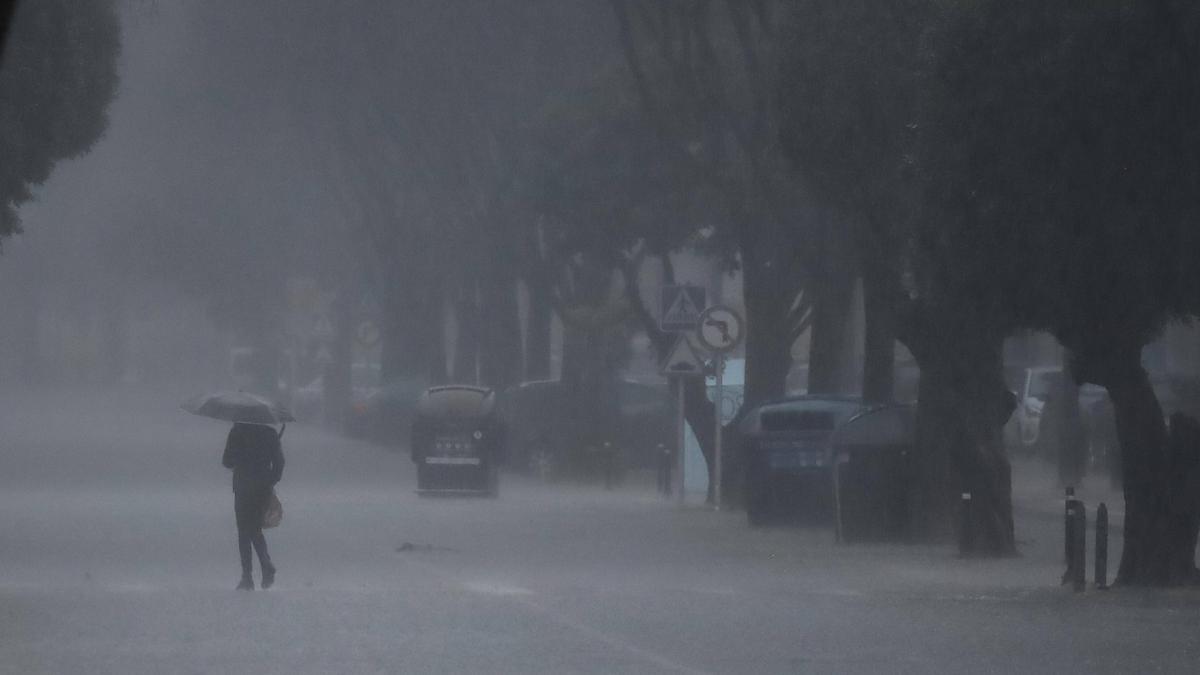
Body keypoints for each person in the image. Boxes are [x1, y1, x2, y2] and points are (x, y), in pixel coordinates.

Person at [222, 421, 285, 590]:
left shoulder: (237, 432)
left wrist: (239, 458)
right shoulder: (270, 433)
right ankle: (265, 563)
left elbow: (226, 461)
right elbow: (279, 463)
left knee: (244, 531)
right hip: (262, 487)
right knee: (254, 528)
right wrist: (271, 479)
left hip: (242, 486)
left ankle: (247, 576)